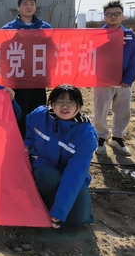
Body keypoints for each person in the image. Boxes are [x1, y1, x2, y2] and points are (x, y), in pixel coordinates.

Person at [24, 84, 96, 228]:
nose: (64, 107)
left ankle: (55, 209)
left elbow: (75, 173)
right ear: (51, 104)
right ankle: (40, 207)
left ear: (79, 106)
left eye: (70, 102)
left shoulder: (86, 135)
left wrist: (60, 209)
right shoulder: (39, 115)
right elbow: (30, 127)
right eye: (59, 102)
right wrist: (28, 144)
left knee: (78, 218)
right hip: (43, 166)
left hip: (68, 173)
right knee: (47, 176)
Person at [1, 0, 52, 137]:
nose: (29, 7)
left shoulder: (45, 28)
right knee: (19, 111)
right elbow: (2, 52)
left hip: (38, 76)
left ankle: (37, 140)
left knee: (38, 110)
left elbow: (53, 49)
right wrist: (18, 37)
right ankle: (20, 140)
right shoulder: (8, 29)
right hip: (18, 77)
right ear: (18, 7)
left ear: (36, 7)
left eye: (32, 4)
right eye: (25, 4)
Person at [94, 0, 135, 156]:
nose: (113, 17)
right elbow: (91, 56)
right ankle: (100, 138)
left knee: (123, 110)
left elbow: (134, 59)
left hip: (123, 81)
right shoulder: (98, 36)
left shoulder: (130, 36)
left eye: (116, 14)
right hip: (103, 80)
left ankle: (117, 137)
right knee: (100, 109)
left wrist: (129, 78)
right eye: (109, 14)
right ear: (104, 17)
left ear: (122, 16)